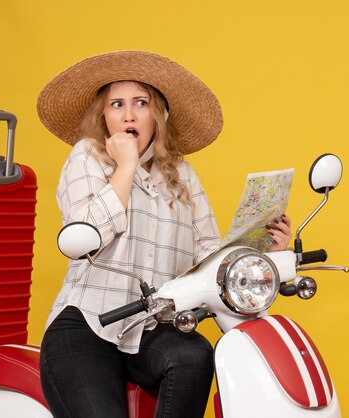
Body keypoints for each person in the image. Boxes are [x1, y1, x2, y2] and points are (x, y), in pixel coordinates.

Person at [35, 50, 292, 418]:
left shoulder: (182, 175)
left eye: (141, 103)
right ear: (103, 116)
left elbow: (207, 253)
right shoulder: (87, 156)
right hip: (88, 326)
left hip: (153, 326)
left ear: (158, 115)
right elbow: (86, 234)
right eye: (116, 104)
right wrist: (124, 166)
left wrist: (262, 248)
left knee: (195, 354)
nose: (128, 114)